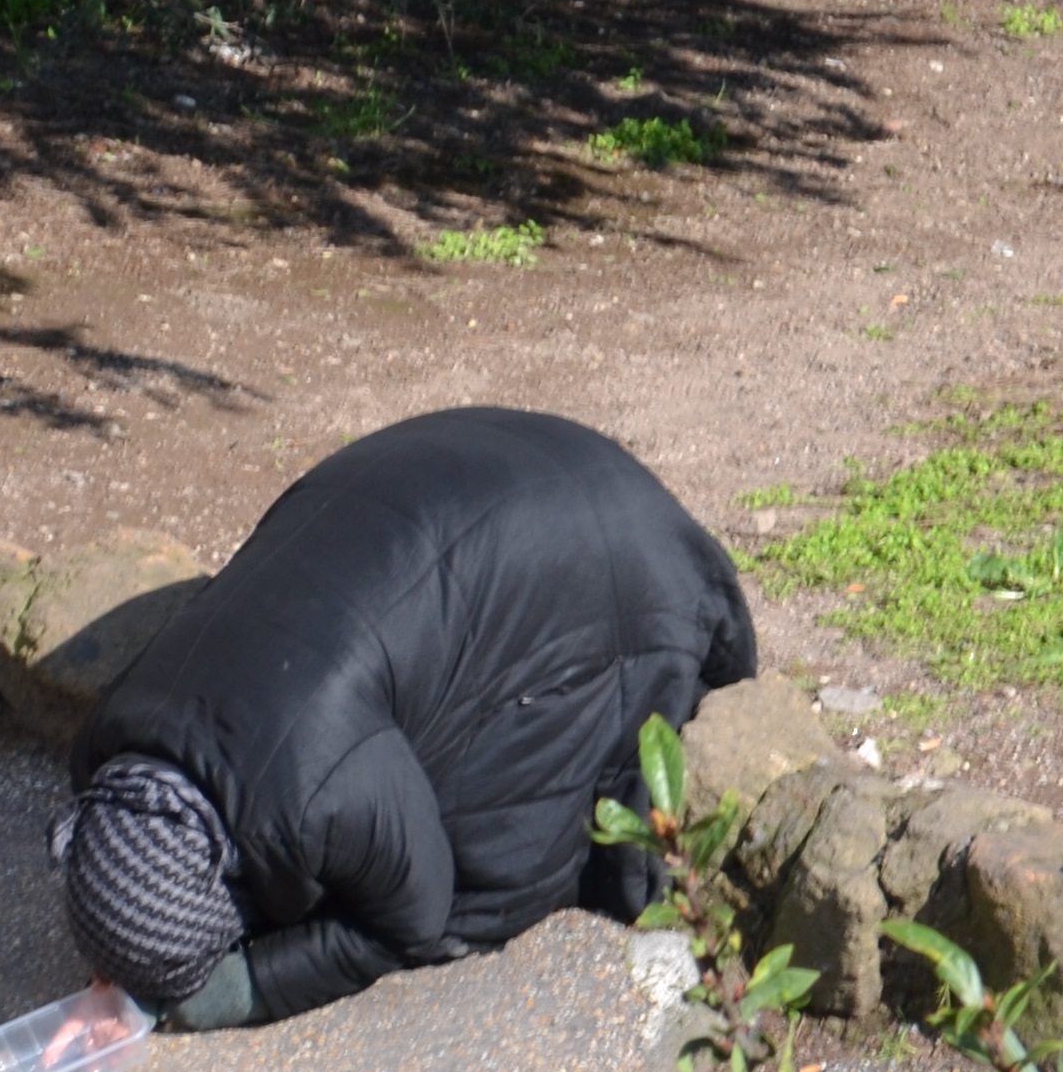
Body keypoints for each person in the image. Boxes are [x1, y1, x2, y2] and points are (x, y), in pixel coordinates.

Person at [59, 405, 755, 1029]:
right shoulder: (109, 738)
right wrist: (124, 948)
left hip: (617, 555)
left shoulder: (317, 789)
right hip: (478, 462)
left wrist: (230, 992)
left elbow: (411, 920)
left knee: (485, 877)